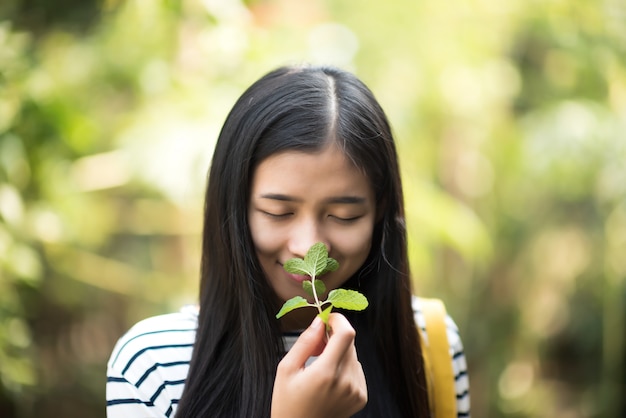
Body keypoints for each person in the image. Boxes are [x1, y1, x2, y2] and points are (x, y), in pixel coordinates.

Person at [106, 65, 470, 417]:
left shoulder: (428, 344)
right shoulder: (154, 364)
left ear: (381, 212)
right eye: (279, 212)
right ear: (233, 207)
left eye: (344, 216)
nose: (309, 246)